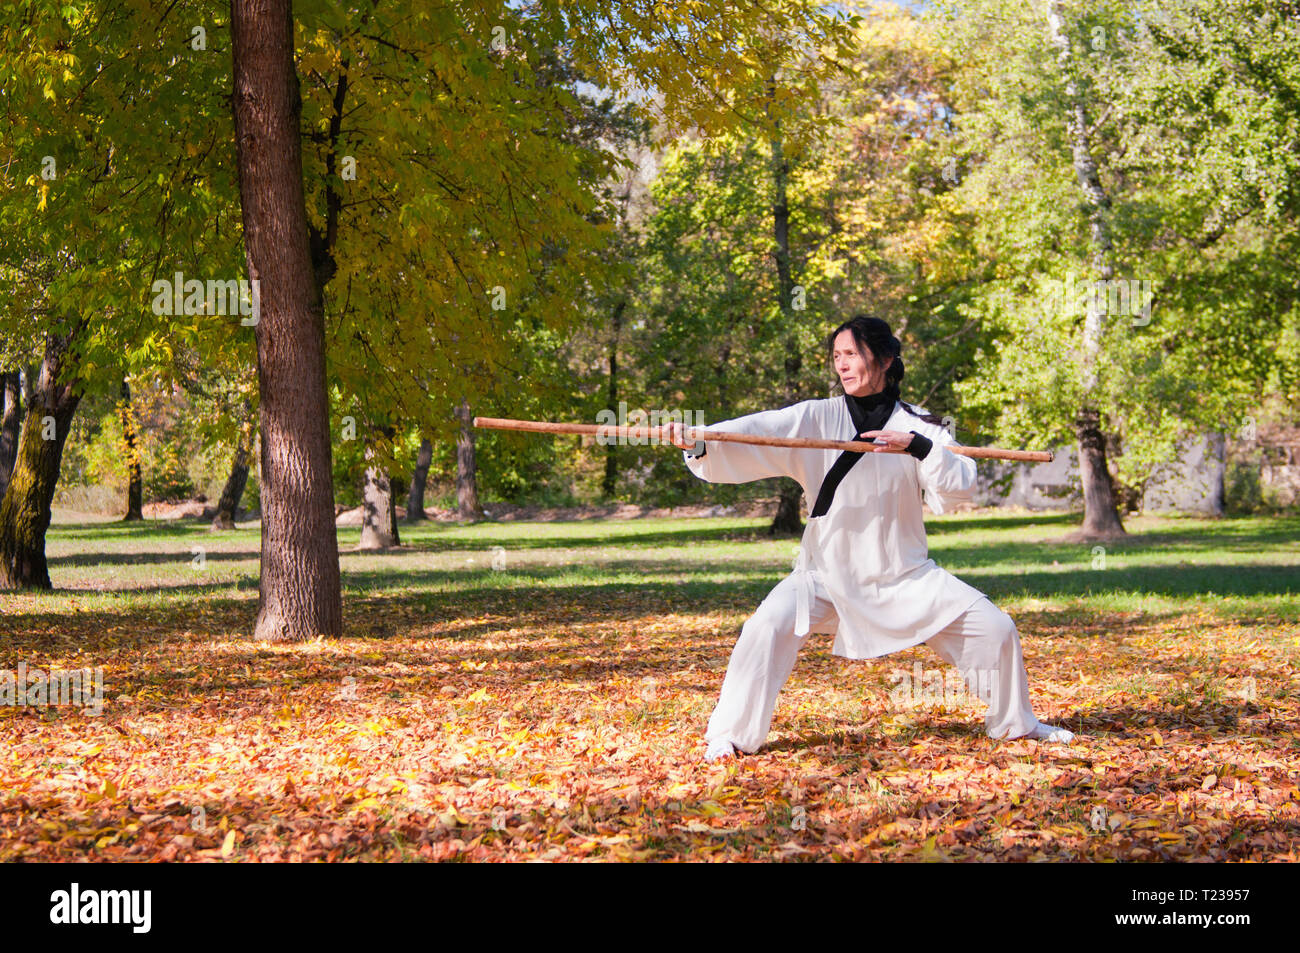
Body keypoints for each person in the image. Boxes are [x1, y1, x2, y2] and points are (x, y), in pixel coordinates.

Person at [664, 315, 1076, 761]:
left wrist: (918, 446)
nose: (842, 365)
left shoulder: (922, 425)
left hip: (905, 574)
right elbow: (757, 432)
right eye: (837, 356)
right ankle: (729, 736)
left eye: (852, 354)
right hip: (824, 577)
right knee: (765, 628)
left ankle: (1017, 725)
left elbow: (960, 486)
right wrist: (700, 442)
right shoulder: (816, 416)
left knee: (995, 629)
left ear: (884, 359)